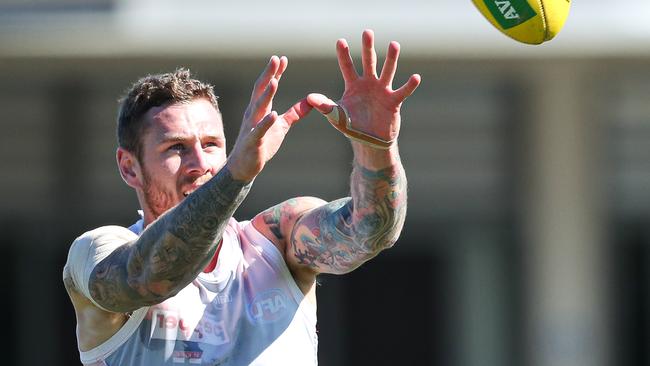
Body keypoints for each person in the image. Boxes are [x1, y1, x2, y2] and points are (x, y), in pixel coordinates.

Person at [62, 29, 421, 366]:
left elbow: (371, 229)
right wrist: (236, 175)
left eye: (212, 145)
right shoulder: (98, 250)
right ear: (129, 168)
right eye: (176, 148)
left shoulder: (276, 242)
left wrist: (376, 148)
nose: (200, 164)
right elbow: (150, 277)